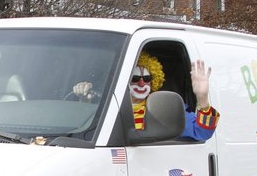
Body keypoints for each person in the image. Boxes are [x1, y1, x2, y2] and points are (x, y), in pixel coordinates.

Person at [73, 52, 219, 141]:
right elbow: (81, 135)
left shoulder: (163, 109)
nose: (142, 83)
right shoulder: (108, 107)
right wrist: (84, 102)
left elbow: (202, 132)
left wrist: (202, 98)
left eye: (147, 79)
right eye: (135, 78)